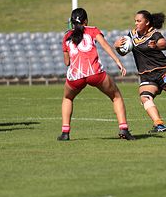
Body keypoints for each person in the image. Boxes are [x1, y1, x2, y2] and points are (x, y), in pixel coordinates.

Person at [57, 8, 135, 141]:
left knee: (68, 98)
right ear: (85, 21)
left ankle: (65, 132)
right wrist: (118, 62)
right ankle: (124, 129)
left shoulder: (67, 36)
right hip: (94, 73)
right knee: (116, 96)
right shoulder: (92, 30)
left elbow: (66, 62)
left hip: (75, 76)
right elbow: (105, 46)